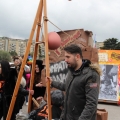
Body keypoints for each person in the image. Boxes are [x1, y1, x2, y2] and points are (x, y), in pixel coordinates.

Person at [46, 44, 101, 120]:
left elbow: (91, 104)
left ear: (77, 57)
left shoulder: (91, 76)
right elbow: (67, 86)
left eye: (68, 57)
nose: (65, 60)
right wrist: (52, 82)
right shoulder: (71, 71)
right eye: (65, 57)